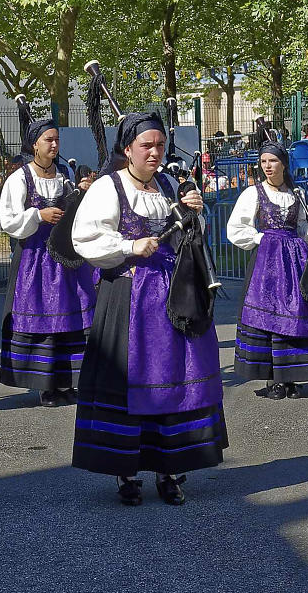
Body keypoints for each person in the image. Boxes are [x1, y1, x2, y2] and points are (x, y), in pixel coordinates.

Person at [70, 111, 226, 507]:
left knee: (175, 380)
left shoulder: (170, 184)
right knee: (128, 383)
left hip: (172, 298)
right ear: (127, 150)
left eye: (160, 145)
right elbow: (83, 238)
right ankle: (126, 472)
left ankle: (169, 470)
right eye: (147, 146)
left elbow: (190, 240)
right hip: (127, 298)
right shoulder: (108, 188)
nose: (155, 153)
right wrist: (128, 247)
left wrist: (193, 213)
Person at [0, 102, 97, 407]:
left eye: (56, 140)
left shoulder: (64, 174)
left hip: (65, 260)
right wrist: (38, 216)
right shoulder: (19, 179)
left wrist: (81, 193)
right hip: (35, 260)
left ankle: (68, 382)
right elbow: (8, 222)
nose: (54, 145)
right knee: (42, 320)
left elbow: (76, 213)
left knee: (74, 316)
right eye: (48, 140)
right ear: (34, 145)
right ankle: (46, 385)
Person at [228, 143, 308, 397]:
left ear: (284, 164)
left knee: (298, 313)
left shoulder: (297, 194)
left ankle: (291, 376)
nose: (267, 166)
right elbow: (236, 228)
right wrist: (261, 239)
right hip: (266, 262)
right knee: (268, 315)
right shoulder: (253, 193)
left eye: (272, 161)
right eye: (263, 161)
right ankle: (272, 380)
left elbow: (303, 228)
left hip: (296, 259)